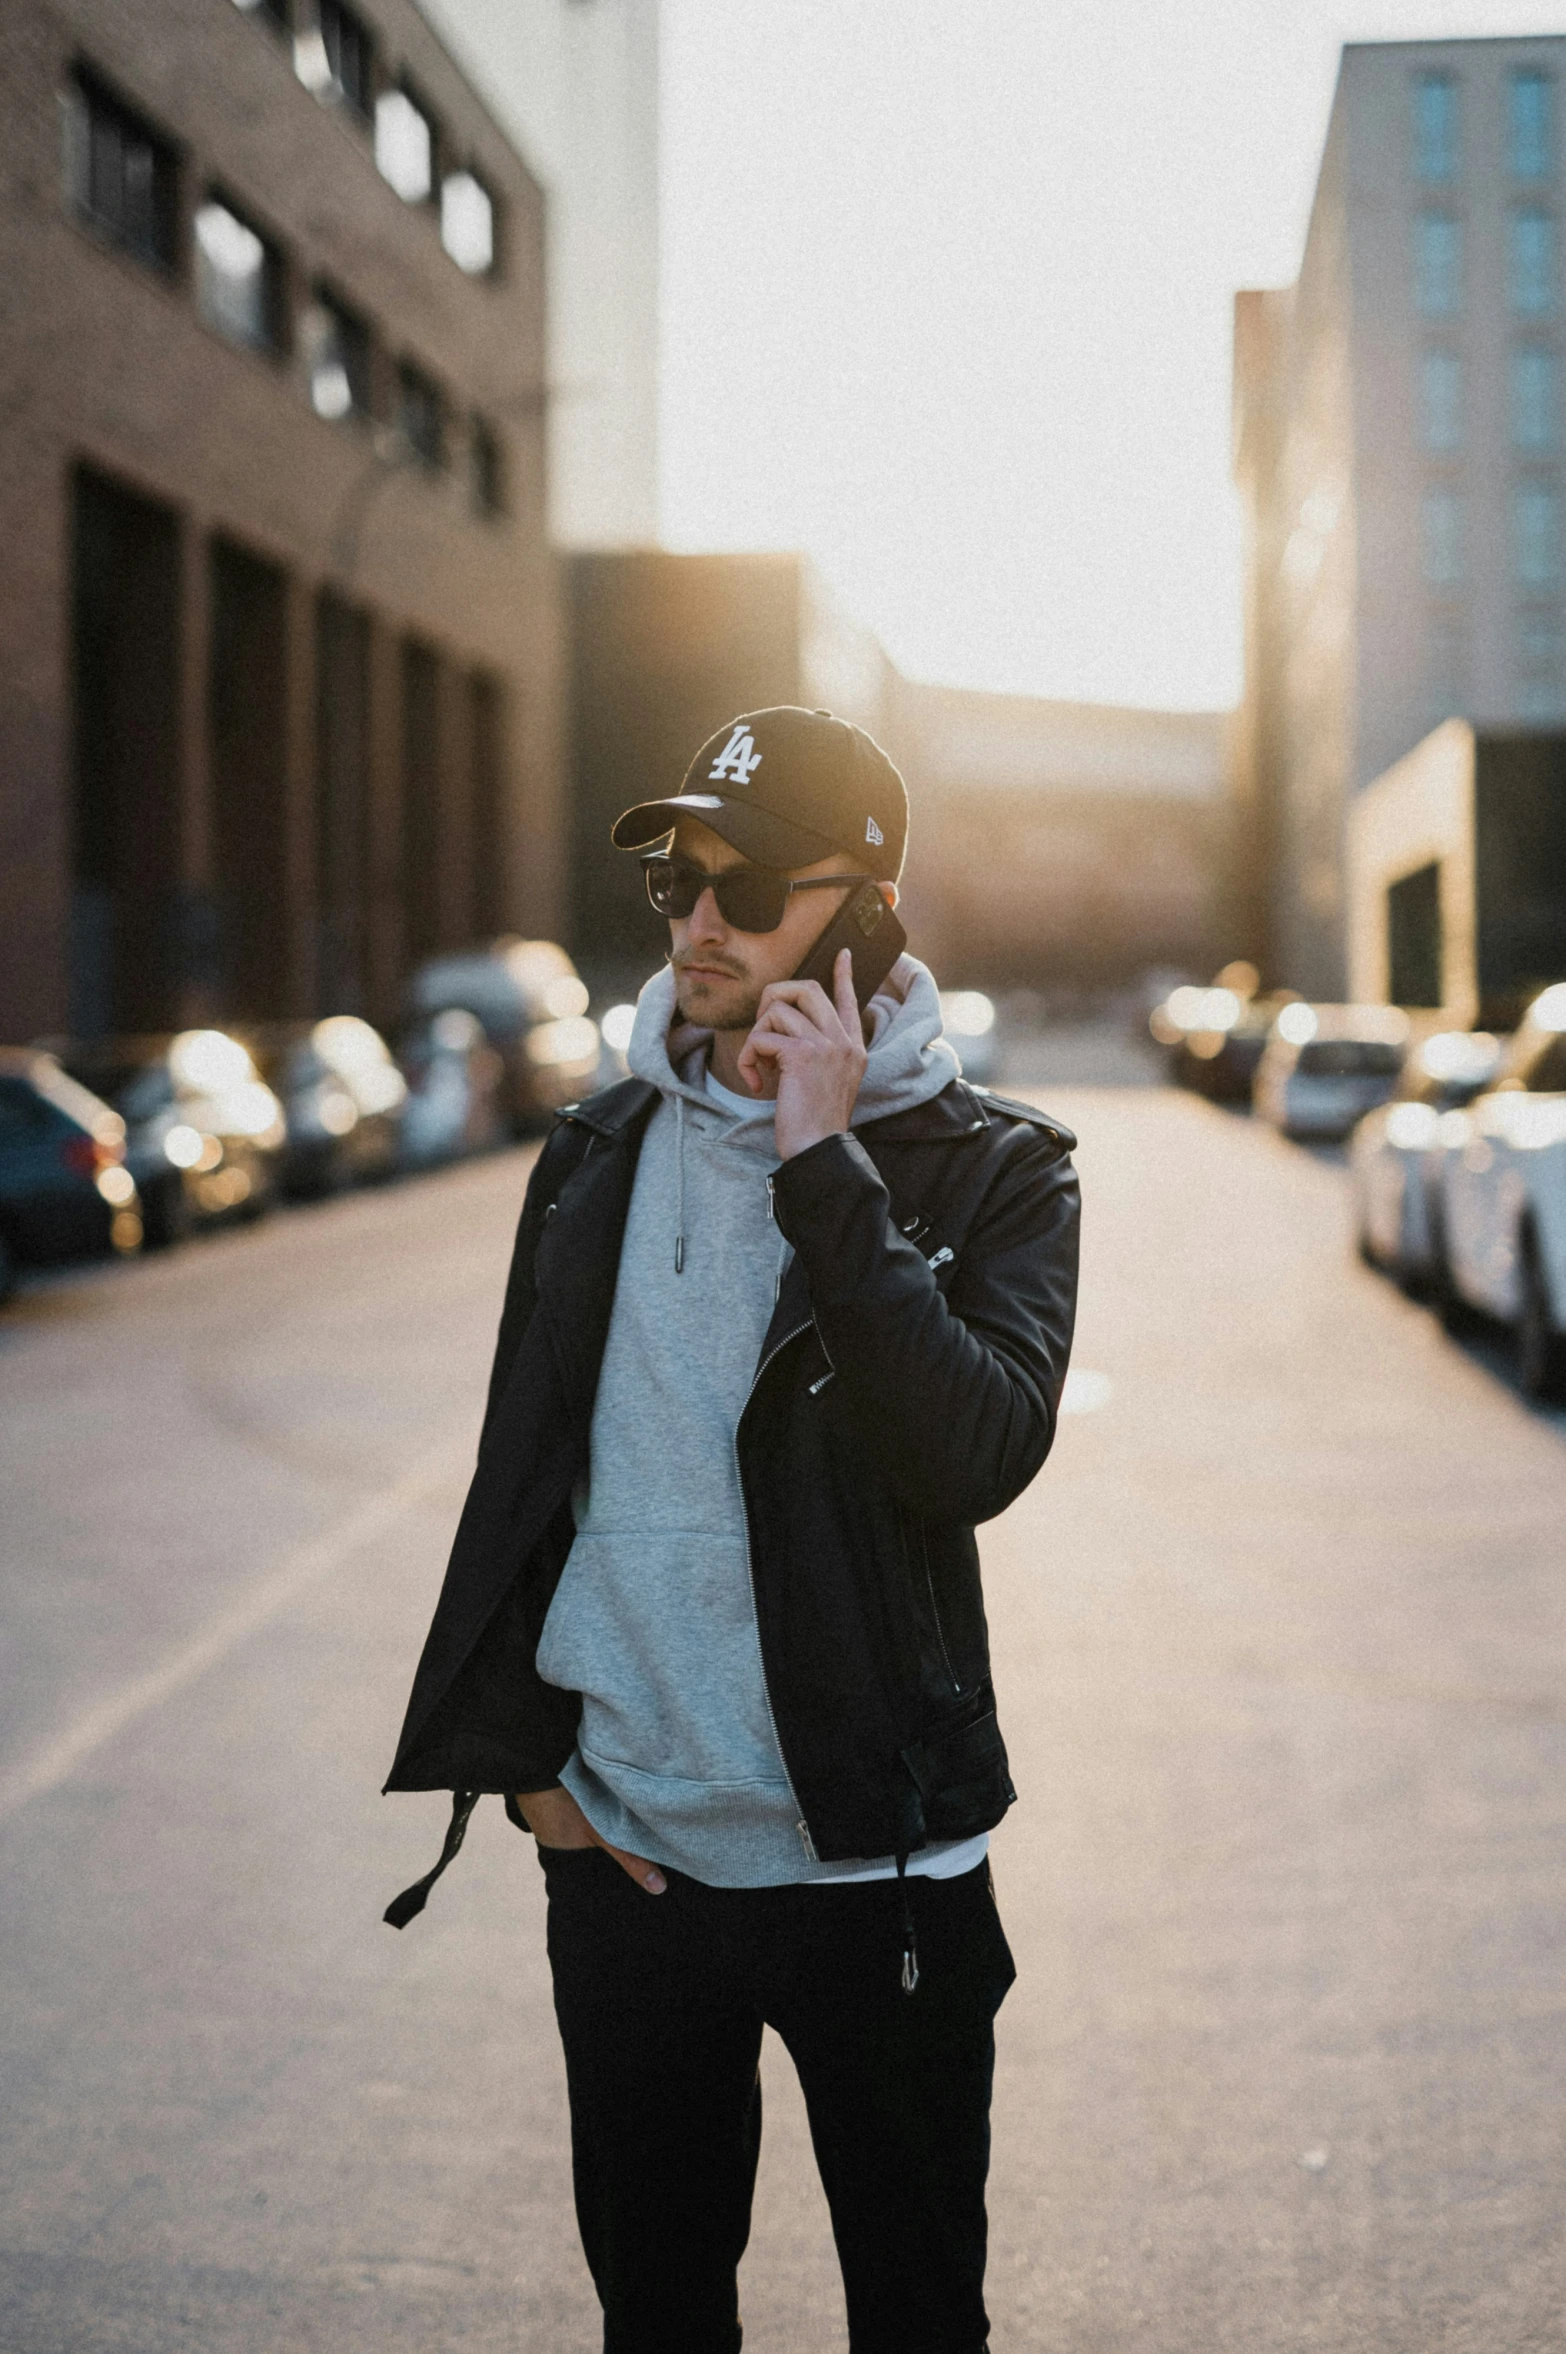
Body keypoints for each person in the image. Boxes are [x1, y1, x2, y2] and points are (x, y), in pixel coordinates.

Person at [383, 706, 1080, 2354]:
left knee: (918, 2322)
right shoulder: (594, 1150)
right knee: (660, 2322)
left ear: (863, 913)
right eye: (675, 874)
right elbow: (521, 1482)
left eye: (746, 882)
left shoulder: (994, 1174)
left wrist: (823, 1162)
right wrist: (532, 1775)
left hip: (880, 1874)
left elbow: (971, 1451)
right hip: (626, 1866)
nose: (696, 917)